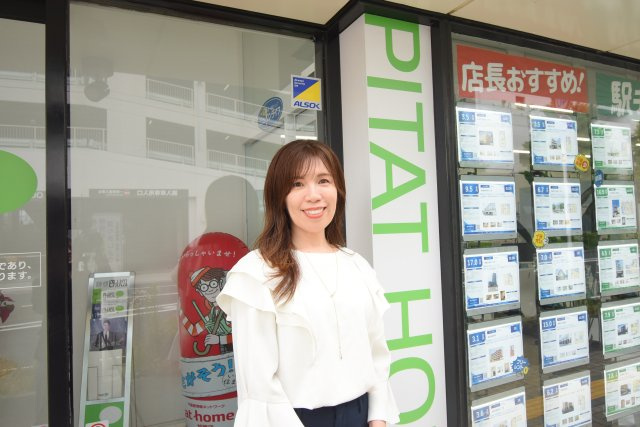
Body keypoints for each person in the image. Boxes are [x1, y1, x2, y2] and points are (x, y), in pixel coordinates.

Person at [217, 140, 399, 427]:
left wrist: (378, 416)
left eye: (324, 180)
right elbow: (258, 384)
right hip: (293, 419)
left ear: (338, 189)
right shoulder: (257, 272)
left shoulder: (357, 265)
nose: (314, 195)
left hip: (361, 415)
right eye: (297, 184)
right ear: (279, 196)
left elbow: (376, 351)